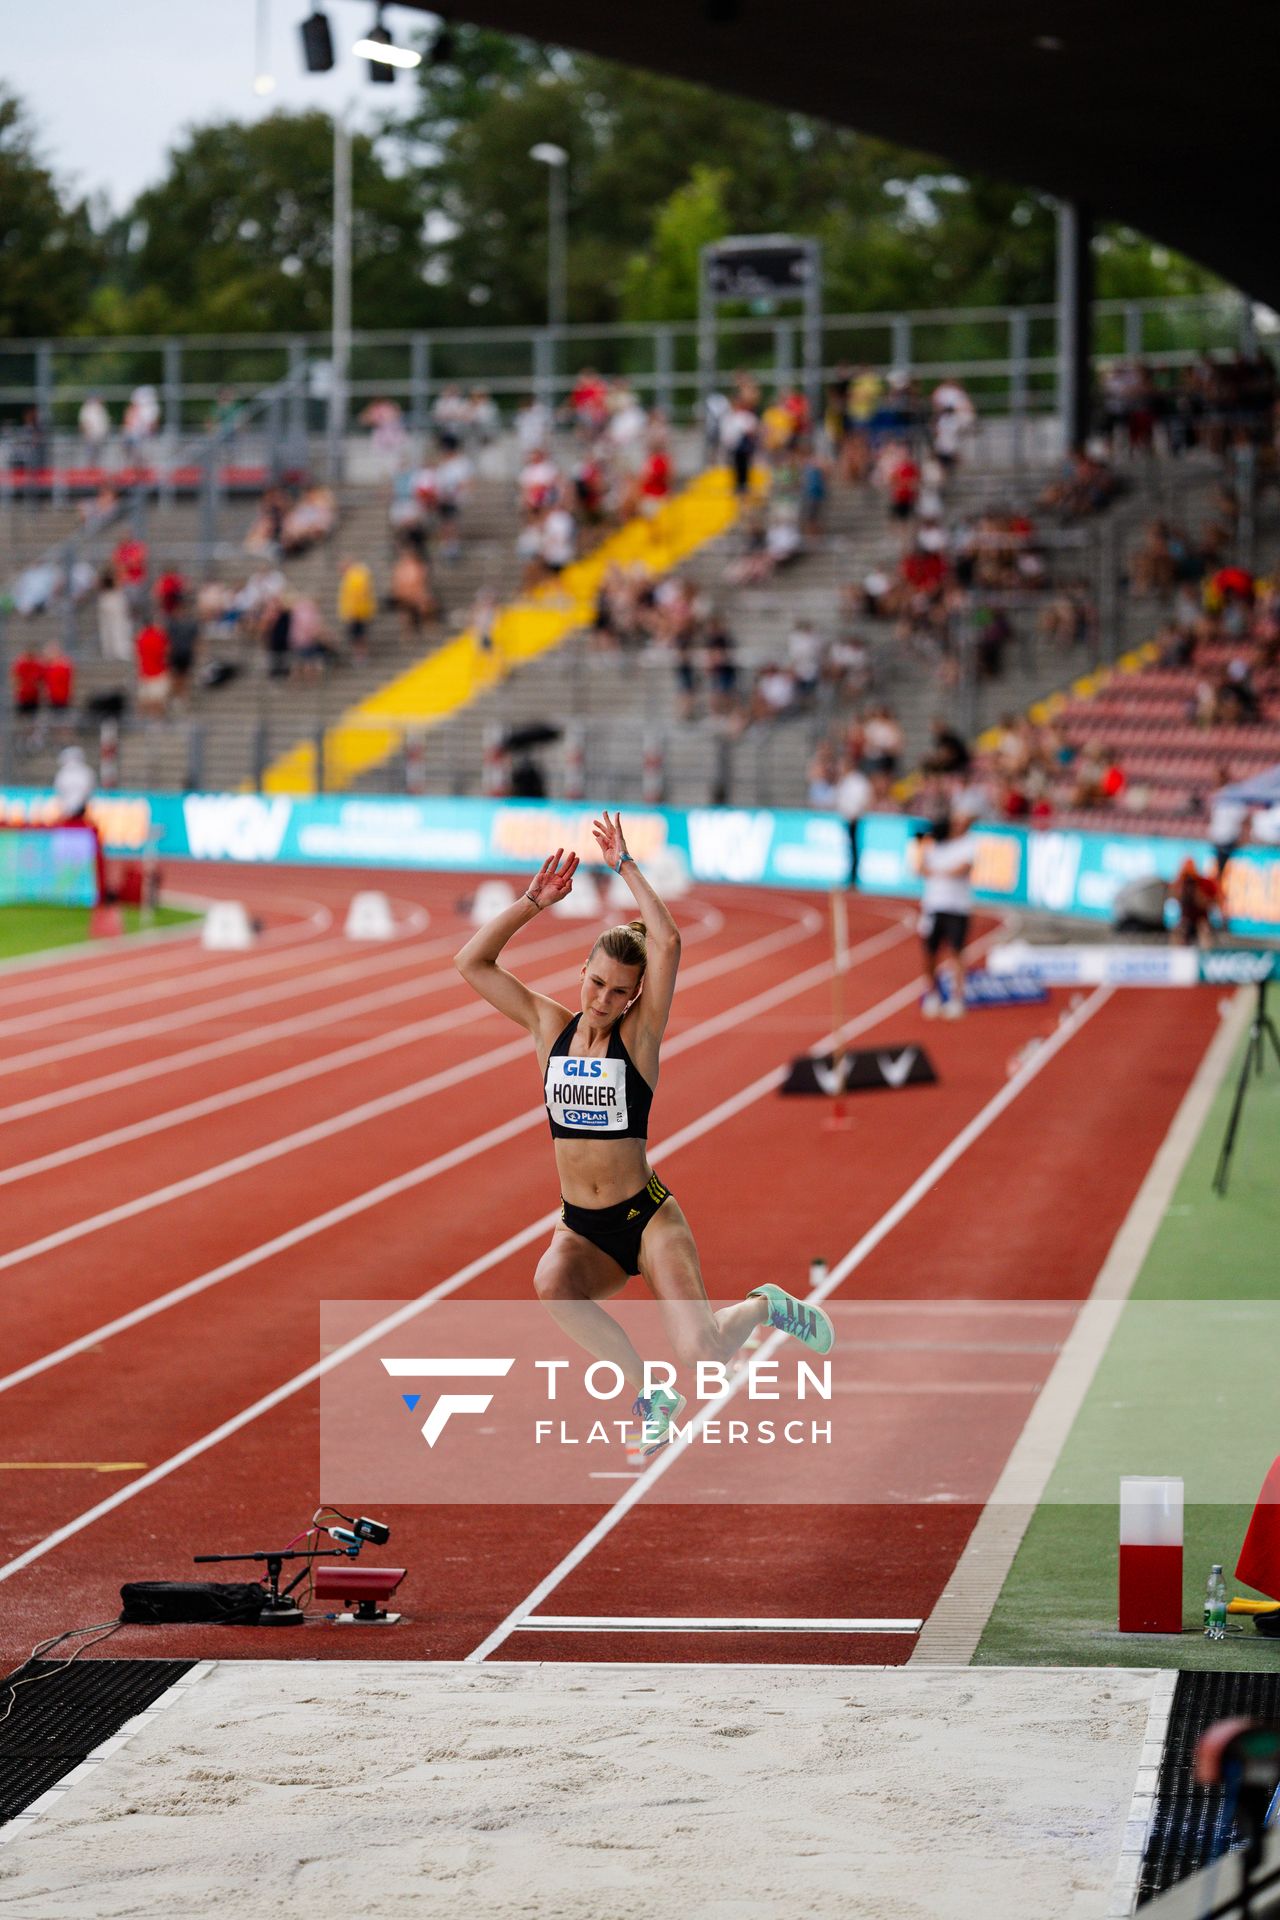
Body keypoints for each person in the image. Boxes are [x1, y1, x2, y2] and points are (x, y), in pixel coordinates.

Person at [453, 815, 835, 1454]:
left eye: (618, 992)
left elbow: (668, 941)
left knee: (704, 1349)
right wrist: (531, 904)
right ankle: (646, 1390)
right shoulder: (549, 1027)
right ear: (583, 972)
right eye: (596, 983)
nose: (602, 999)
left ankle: (767, 1306)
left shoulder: (640, 1040)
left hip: (647, 1218)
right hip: (582, 1227)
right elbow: (472, 962)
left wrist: (626, 865)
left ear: (635, 1000)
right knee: (551, 1283)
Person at [911, 810, 976, 1018]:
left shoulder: (968, 844)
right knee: (930, 953)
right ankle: (931, 994)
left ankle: (957, 998)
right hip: (933, 907)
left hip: (958, 907)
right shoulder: (932, 847)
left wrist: (937, 872)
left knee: (957, 952)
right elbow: (919, 868)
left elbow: (963, 869)